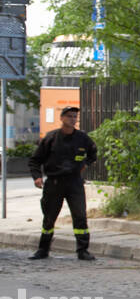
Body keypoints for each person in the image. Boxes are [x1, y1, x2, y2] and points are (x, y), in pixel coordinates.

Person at [28, 106, 97, 261]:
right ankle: (43, 249)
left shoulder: (82, 138)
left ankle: (83, 250)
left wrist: (85, 164)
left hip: (74, 183)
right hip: (54, 182)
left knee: (80, 216)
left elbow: (93, 153)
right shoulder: (51, 138)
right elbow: (35, 160)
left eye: (75, 117)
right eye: (70, 116)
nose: (73, 119)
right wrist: (37, 177)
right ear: (62, 118)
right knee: (49, 217)